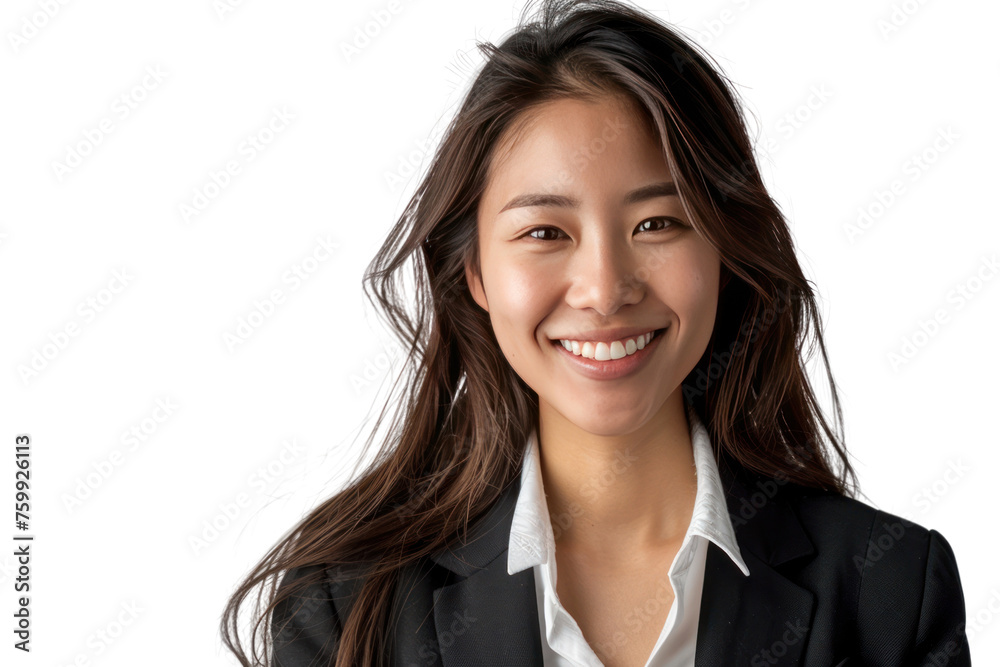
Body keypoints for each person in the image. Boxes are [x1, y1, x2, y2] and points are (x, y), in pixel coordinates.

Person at [220, 1, 972, 665]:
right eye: (546, 230)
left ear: (724, 256)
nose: (606, 289)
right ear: (475, 274)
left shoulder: (891, 588)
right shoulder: (346, 607)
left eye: (657, 223)